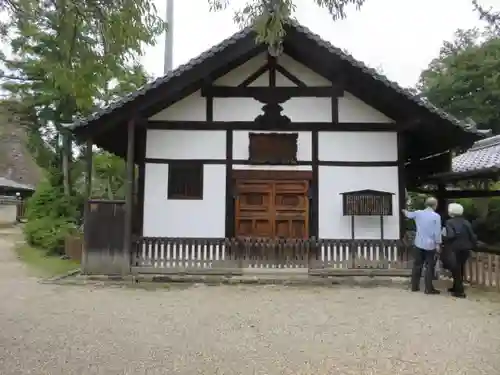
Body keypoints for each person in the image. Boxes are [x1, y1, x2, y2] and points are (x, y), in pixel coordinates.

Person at [402, 197, 442, 294]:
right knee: (429, 266)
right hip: (430, 245)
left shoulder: (418, 213)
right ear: (435, 205)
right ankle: (428, 288)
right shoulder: (436, 216)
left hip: (419, 243)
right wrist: (438, 244)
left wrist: (402, 210)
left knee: (417, 265)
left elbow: (408, 214)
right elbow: (437, 232)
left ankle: (414, 286)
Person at [442, 203, 477, 298]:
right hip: (465, 248)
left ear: (451, 211)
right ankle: (455, 287)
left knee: (455, 269)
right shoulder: (466, 222)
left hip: (455, 248)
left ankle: (460, 291)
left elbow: (450, 235)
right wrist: (474, 246)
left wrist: (442, 237)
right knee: (459, 268)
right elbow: (472, 236)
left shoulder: (449, 222)